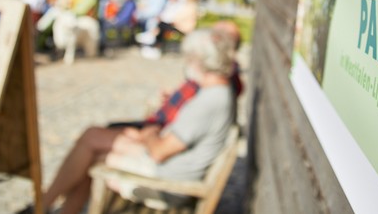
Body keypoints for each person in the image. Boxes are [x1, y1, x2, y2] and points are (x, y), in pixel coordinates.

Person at [17, 28, 236, 214]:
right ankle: (49, 205)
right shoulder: (217, 93)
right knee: (93, 142)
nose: (187, 64)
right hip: (170, 166)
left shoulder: (210, 100)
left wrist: (149, 132)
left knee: (93, 151)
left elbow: (160, 151)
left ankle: (43, 205)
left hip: (168, 180)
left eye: (189, 58)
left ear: (200, 60)